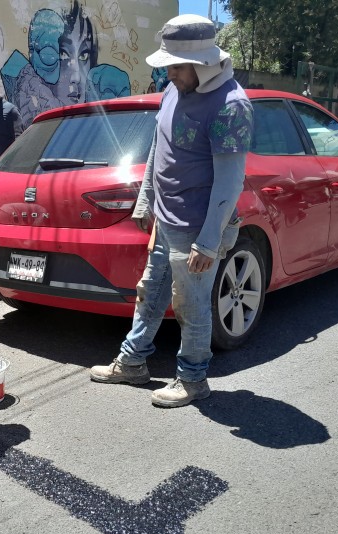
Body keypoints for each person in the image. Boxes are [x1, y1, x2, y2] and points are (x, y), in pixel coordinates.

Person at [90, 15, 253, 408]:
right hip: (165, 221)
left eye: (176, 66)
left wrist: (209, 242)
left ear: (203, 63)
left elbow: (230, 183)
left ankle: (193, 380)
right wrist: (146, 200)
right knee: (151, 292)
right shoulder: (173, 91)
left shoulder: (231, 106)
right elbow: (157, 150)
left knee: (191, 305)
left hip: (199, 227)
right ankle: (132, 362)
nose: (170, 73)